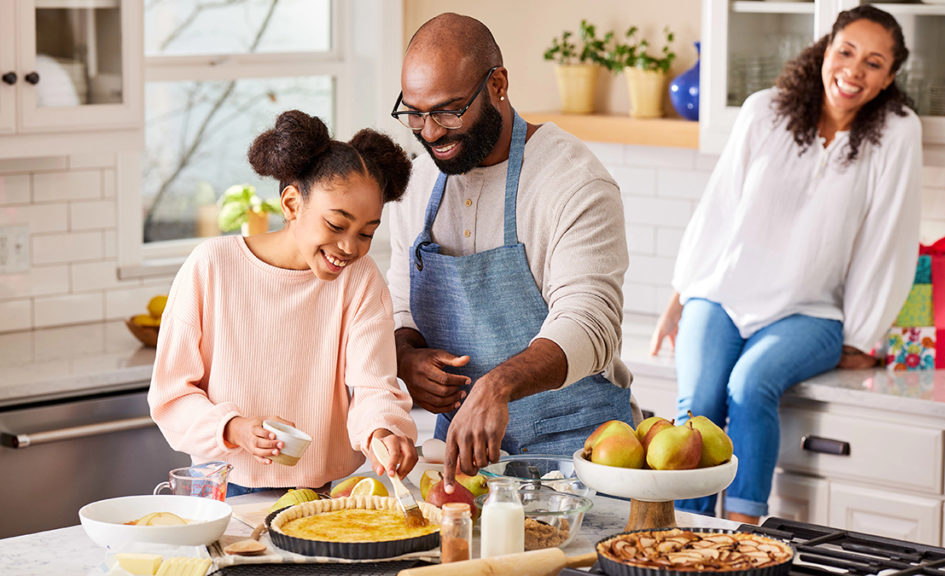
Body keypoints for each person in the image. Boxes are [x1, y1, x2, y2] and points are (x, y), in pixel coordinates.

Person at [650, 5, 921, 523]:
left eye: (873, 62)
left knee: (750, 387)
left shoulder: (897, 133)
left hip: (812, 314)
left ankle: (744, 533)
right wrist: (680, 296)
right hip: (722, 296)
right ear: (826, 48)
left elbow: (891, 235)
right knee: (697, 406)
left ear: (889, 79)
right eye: (845, 51)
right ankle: (684, 530)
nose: (853, 70)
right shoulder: (763, 110)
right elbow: (718, 210)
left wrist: (864, 334)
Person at [387, 13, 638, 492]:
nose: (431, 132)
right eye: (415, 113)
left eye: (448, 110)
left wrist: (497, 385)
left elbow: (591, 324)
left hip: (581, 455)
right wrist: (405, 356)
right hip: (463, 458)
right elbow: (401, 302)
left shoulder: (572, 180)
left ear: (497, 84)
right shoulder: (417, 184)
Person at [149, 110, 419, 496]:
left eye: (366, 233)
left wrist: (383, 431)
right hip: (223, 486)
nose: (350, 247)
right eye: (336, 225)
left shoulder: (361, 280)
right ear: (291, 204)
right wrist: (235, 428)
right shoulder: (212, 267)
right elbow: (171, 393)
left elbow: (373, 385)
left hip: (324, 492)